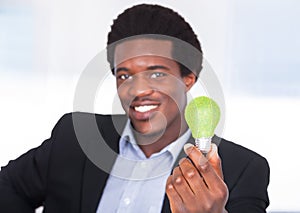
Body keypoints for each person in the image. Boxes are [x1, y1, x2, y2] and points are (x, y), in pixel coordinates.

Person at [0, 4, 269, 213]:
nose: (138, 90)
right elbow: (8, 188)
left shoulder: (242, 169)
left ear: (188, 79)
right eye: (125, 76)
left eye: (156, 74)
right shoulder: (75, 138)